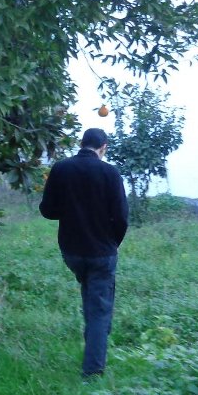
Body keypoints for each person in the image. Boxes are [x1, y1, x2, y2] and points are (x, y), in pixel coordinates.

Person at [40, 128, 129, 379]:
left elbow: (48, 211)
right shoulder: (110, 173)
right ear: (103, 147)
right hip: (102, 252)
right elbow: (121, 217)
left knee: (92, 298)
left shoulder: (61, 169)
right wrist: (113, 243)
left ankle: (94, 342)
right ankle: (93, 372)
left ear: (82, 144)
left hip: (72, 252)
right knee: (100, 309)